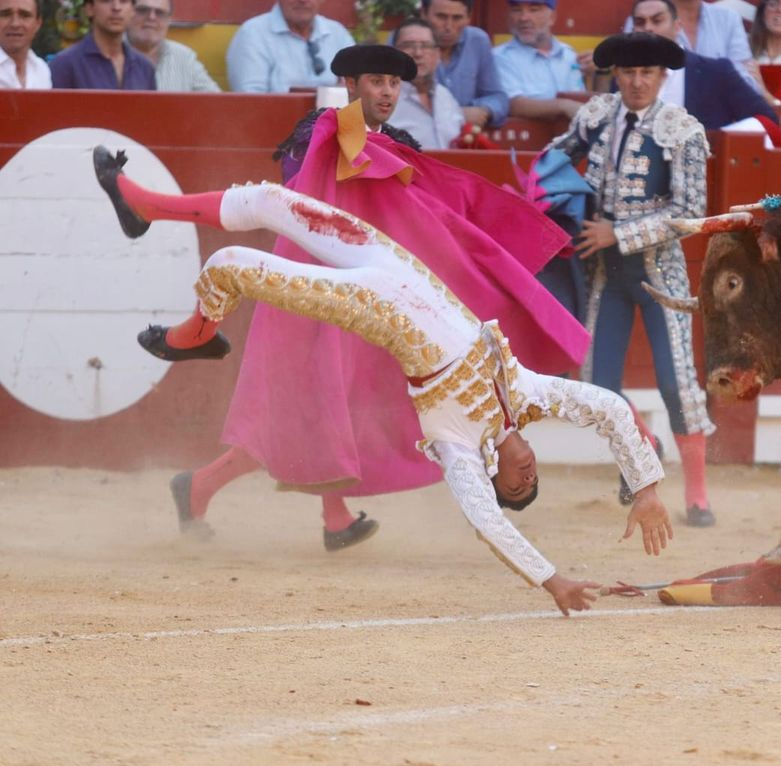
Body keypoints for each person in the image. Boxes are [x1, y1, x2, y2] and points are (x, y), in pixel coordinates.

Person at [93, 148, 673, 617]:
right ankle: (146, 206)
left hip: (375, 307)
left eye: (517, 488)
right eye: (532, 481)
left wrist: (552, 581)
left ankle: (195, 335)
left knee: (229, 268)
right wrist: (644, 487)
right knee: (274, 201)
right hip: (403, 269)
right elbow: (607, 408)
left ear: (493, 477)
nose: (526, 477)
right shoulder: (526, 392)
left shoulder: (457, 446)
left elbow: (487, 522)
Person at [131, 44, 589, 550]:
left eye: (394, 84)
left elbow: (420, 220)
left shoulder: (394, 143)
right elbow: (300, 208)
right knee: (313, 409)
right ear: (351, 86)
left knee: (335, 408)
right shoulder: (317, 136)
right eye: (376, 82)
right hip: (321, 293)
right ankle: (217, 490)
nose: (388, 92)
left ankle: (293, 509)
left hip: (371, 298)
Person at [550, 32, 717, 528]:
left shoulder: (682, 130)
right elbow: (558, 157)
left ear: (662, 77)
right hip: (604, 273)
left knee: (675, 383)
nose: (638, 81)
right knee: (596, 384)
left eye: (647, 72)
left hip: (658, 272)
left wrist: (616, 232)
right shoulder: (596, 115)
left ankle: (699, 495)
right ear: (615, 75)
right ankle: (645, 445)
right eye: (629, 72)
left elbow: (690, 213)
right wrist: (536, 195)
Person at [632, 0, 778, 131]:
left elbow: (765, 119)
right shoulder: (626, 74)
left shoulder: (718, 71)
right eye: (640, 23)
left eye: (657, 21)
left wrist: (720, 140)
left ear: (677, 26)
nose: (648, 28)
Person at [225, 0, 354, 93]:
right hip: (275, 125)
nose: (303, 1)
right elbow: (251, 100)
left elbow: (356, 88)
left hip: (334, 125)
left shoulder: (337, 33)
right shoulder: (253, 33)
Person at [420, 0, 509, 128]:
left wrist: (484, 110)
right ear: (424, 13)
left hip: (465, 140)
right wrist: (457, 114)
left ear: (468, 17)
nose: (448, 26)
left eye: (457, 18)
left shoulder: (478, 41)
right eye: (441, 17)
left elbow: (498, 98)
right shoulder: (405, 41)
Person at [492, 0, 584, 123]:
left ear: (552, 17)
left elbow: (584, 100)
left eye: (534, 10)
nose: (523, 18)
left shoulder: (569, 55)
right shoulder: (500, 57)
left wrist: (600, 73)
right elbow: (513, 105)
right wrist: (563, 106)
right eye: (516, 10)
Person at [388, 18, 465, 149]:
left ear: (437, 55)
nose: (418, 53)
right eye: (408, 45)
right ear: (393, 53)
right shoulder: (384, 98)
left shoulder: (446, 97)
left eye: (426, 46)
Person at [50, 0, 156, 89]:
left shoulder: (144, 68)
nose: (116, 7)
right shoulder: (65, 65)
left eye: (123, 1)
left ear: (133, 10)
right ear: (89, 9)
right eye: (106, 0)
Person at [126, 0, 220, 92]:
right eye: (143, 10)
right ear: (128, 14)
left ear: (169, 20)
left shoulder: (184, 58)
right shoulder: (113, 53)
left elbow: (218, 103)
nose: (151, 17)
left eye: (160, 13)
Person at [0, 0, 50, 89]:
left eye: (25, 15)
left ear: (38, 23)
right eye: (6, 15)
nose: (15, 24)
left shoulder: (41, 70)